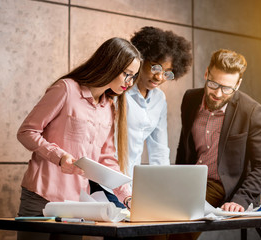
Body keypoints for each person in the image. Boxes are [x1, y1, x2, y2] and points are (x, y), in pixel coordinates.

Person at [16, 37, 141, 239]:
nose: (130, 82)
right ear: (110, 64)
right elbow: (26, 132)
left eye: (133, 77)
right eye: (127, 74)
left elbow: (107, 158)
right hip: (41, 196)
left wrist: (126, 196)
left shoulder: (108, 107)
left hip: (76, 205)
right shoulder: (66, 89)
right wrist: (59, 156)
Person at [173, 49, 261, 239]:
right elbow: (183, 147)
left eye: (227, 88)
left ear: (238, 84)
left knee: (178, 229)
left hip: (219, 185)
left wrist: (241, 199)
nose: (218, 93)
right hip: (187, 179)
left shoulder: (251, 111)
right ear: (206, 74)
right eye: (213, 84)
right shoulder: (190, 99)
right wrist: (176, 180)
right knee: (150, 224)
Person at [120, 26, 192, 180]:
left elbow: (159, 149)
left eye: (167, 72)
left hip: (132, 180)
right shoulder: (120, 91)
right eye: (156, 67)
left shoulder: (159, 99)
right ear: (141, 58)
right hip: (108, 177)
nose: (160, 77)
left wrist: (164, 185)